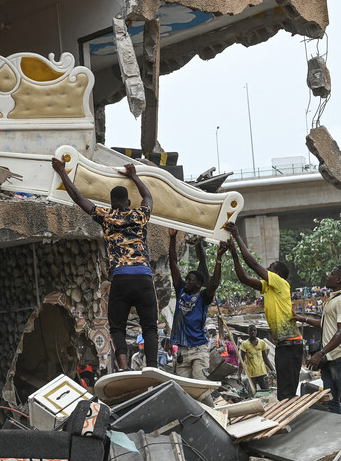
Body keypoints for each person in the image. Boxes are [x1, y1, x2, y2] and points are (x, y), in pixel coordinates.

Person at [52, 157, 158, 370]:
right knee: (150, 328)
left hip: (121, 278)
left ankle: (124, 367)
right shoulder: (140, 215)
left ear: (111, 203)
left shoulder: (106, 216)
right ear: (128, 203)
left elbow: (78, 197)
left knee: (117, 327)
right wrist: (134, 175)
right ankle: (153, 368)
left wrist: (62, 172)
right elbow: (148, 197)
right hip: (144, 277)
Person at [225, 222, 302, 400]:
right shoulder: (269, 288)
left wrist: (237, 236)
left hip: (290, 344)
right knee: (284, 391)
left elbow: (252, 264)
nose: (266, 270)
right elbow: (243, 277)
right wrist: (234, 253)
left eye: (270, 269)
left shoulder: (281, 283)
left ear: (277, 274)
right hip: (284, 344)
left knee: (287, 392)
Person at [295, 266, 341, 417]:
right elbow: (325, 324)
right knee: (331, 400)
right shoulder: (335, 299)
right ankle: (338, 433)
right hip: (331, 357)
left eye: (332, 274)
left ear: (339, 279)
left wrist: (321, 352)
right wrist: (303, 319)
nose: (328, 276)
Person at [168, 229, 225, 380]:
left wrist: (218, 258)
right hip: (182, 351)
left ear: (199, 284)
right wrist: (172, 239)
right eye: (185, 279)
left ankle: (210, 405)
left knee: (200, 387)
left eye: (189, 280)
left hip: (199, 350)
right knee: (186, 390)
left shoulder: (202, 297)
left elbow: (214, 284)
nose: (185, 282)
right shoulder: (180, 291)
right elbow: (173, 263)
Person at [240, 325, 274, 390]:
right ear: (248, 332)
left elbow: (265, 358)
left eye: (254, 330)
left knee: (266, 391)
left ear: (256, 331)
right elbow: (241, 360)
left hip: (262, 372)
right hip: (251, 374)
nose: (253, 332)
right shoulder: (245, 344)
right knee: (252, 393)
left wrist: (272, 370)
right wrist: (239, 375)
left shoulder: (262, 343)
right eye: (251, 331)